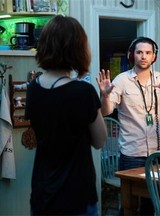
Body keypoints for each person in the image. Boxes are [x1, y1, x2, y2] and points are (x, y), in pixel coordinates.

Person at [25, 15, 107, 215]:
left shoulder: (33, 87)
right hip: (76, 196)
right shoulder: (83, 92)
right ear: (77, 49)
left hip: (42, 193)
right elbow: (100, 141)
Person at [97, 36, 160, 215]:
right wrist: (104, 96)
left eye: (148, 53)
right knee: (129, 205)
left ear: (154, 57)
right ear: (132, 55)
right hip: (132, 155)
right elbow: (105, 111)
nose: (144, 56)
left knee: (151, 205)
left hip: (158, 154)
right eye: (139, 52)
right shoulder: (121, 80)